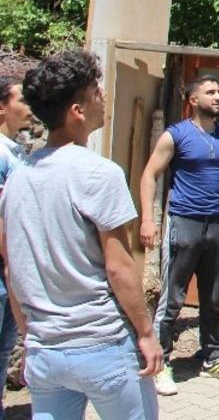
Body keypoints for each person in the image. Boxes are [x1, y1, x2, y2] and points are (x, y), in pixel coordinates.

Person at [0, 50, 162, 419]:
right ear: (78, 110)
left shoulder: (18, 178)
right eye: (96, 91)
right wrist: (146, 332)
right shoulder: (98, 174)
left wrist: (31, 336)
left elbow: (12, 270)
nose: (103, 96)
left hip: (45, 352)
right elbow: (120, 268)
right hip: (102, 345)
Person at [139, 77, 219, 395]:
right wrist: (148, 219)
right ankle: (160, 365)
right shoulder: (176, 135)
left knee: (213, 298)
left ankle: (212, 357)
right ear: (192, 99)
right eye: (210, 92)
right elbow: (149, 175)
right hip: (184, 222)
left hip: (218, 224)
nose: (218, 97)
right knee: (172, 299)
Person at [0, 77, 33, 417]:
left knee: (4, 345)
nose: (29, 107)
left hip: (11, 267)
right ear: (2, 107)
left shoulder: (17, 151)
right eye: (21, 100)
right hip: (4, 264)